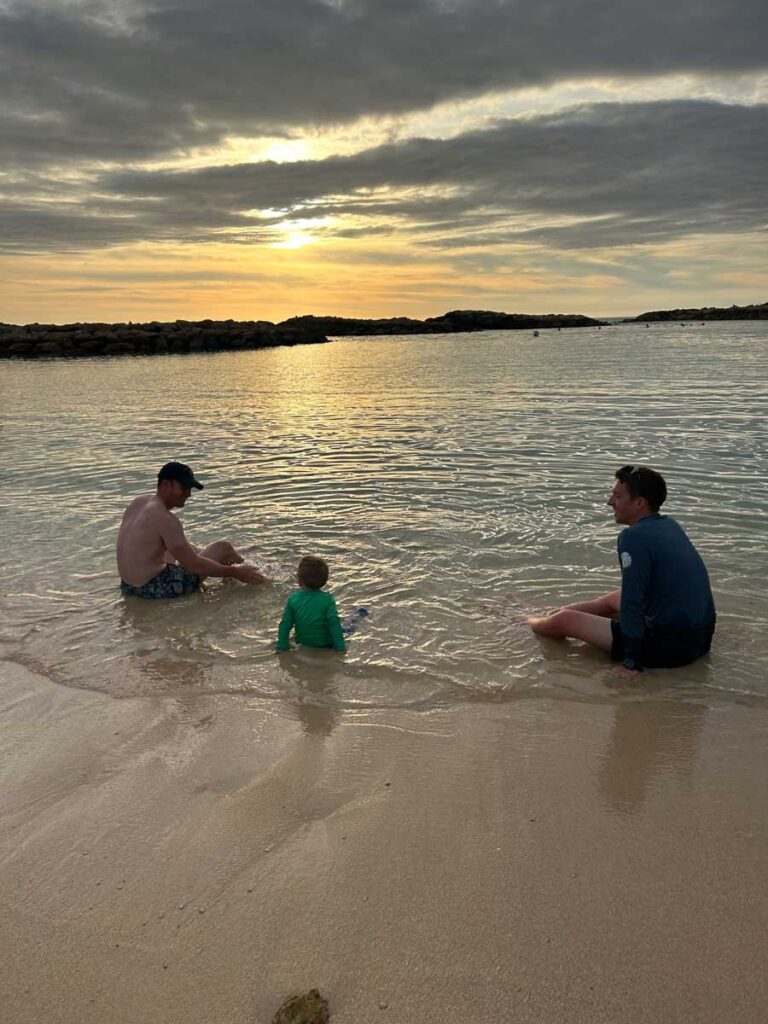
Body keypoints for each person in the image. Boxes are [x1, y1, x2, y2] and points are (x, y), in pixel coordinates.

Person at [527, 465, 716, 679]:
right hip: (700, 641)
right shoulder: (669, 525)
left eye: (617, 496)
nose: (610, 502)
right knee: (611, 600)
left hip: (668, 650)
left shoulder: (632, 537)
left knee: (565, 621)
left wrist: (631, 661)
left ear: (639, 503)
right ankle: (548, 614)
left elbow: (633, 599)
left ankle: (526, 620)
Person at [117, 461, 265, 598]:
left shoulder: (139, 503)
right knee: (223, 548)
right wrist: (234, 572)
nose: (189, 494)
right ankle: (258, 579)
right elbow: (193, 566)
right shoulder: (166, 518)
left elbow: (172, 546)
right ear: (165, 485)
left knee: (175, 548)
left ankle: (231, 569)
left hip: (129, 587)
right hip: (157, 589)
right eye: (184, 487)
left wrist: (200, 554)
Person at [276, 555, 346, 652]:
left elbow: (285, 624)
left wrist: (282, 646)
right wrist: (341, 648)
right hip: (326, 644)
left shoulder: (293, 599)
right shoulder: (327, 599)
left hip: (303, 643)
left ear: (299, 580)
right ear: (324, 580)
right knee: (338, 627)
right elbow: (334, 623)